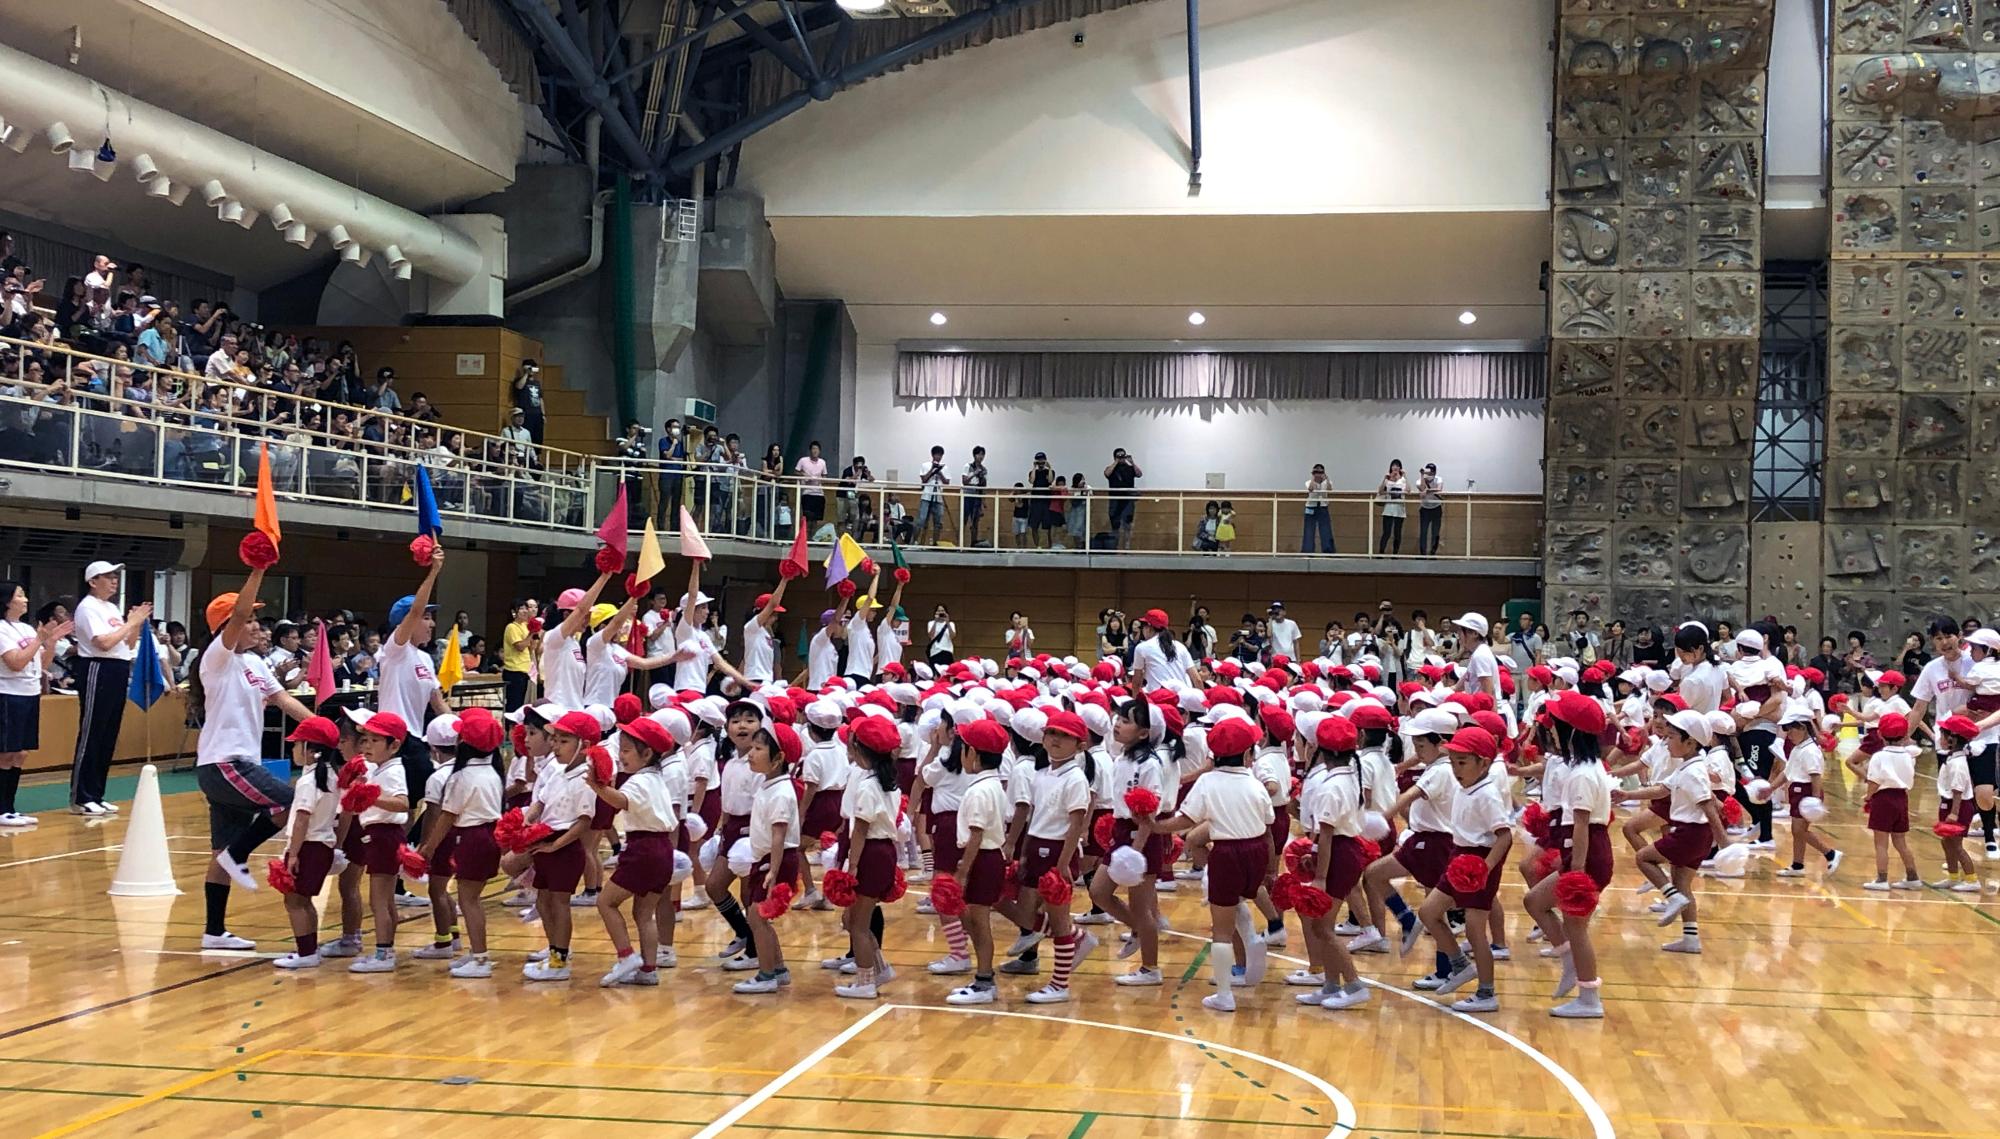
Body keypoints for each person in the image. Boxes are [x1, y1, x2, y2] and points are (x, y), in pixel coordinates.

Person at [197, 572, 314, 950]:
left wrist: (321, 726)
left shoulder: (256, 664)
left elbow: (283, 700)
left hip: (237, 764)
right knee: (292, 802)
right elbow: (238, 613)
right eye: (248, 620)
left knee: (219, 855)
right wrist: (259, 569)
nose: (255, 625)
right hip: (225, 762)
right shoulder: (218, 658)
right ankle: (239, 854)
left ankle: (214, 931)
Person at [1153, 717, 1273, 1013]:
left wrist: (1153, 826)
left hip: (1227, 853)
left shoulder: (1207, 781)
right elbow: (1268, 827)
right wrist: (1271, 869)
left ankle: (1224, 994)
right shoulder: (1255, 783)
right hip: (1257, 850)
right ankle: (1251, 941)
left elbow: (1186, 820)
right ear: (1247, 755)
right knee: (1239, 904)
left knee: (1220, 928)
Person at [71, 560, 152, 815]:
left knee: (108, 733)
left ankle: (97, 793)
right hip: (97, 668)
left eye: (116, 576)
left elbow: (126, 644)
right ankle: (81, 796)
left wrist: (134, 623)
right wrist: (131, 623)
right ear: (93, 582)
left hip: (118, 668)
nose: (114, 580)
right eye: (107, 576)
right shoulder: (88, 608)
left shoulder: (110, 608)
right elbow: (103, 643)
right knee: (92, 731)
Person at [0, 581, 70, 828]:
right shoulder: (2, 630)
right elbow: (16, 662)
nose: (25, 599)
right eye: (20, 595)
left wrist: (49, 642)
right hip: (8, 694)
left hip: (30, 694)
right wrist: (39, 638)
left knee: (21, 752)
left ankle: (10, 807)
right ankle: (2, 808)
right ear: (8, 601)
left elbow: (40, 664)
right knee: (6, 752)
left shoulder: (27, 630)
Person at [501, 599, 537, 712]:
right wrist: (531, 633)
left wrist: (535, 632)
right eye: (521, 608)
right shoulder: (512, 627)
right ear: (514, 612)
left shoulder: (525, 626)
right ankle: (510, 727)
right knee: (513, 704)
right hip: (513, 670)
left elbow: (532, 647)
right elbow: (520, 646)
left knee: (520, 703)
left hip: (524, 670)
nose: (525, 611)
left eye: (526, 608)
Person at [1103, 447, 1142, 549]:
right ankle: (1114, 546)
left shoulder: (1129, 468)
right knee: (1115, 524)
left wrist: (1132, 462)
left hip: (1128, 499)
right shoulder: (1112, 468)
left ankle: (1127, 547)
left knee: (1127, 524)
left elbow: (1139, 474)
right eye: (1119, 456)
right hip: (1115, 499)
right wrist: (1116, 461)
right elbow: (1107, 473)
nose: (1121, 458)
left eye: (1122, 455)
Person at [915, 445, 950, 545]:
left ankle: (935, 543)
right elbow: (924, 480)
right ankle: (914, 542)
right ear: (932, 455)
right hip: (926, 496)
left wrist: (939, 472)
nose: (938, 457)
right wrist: (932, 469)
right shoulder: (925, 465)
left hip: (938, 497)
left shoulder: (944, 467)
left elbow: (947, 482)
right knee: (921, 520)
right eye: (937, 455)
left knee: (938, 522)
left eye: (940, 455)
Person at [1377, 460, 1409, 555]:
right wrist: (1385, 478)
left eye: (1397, 466)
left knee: (1397, 534)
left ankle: (1395, 554)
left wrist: (1405, 476)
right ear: (1391, 467)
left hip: (1399, 510)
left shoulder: (1403, 480)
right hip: (1388, 510)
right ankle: (1381, 552)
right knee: (1386, 532)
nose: (1395, 468)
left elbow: (1408, 490)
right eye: (1393, 466)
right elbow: (1380, 491)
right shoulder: (1387, 479)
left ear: (1400, 468)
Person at [1302, 463, 1335, 553]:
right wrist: (1313, 478)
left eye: (1320, 472)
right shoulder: (1308, 482)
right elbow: (1311, 488)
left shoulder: (1327, 482)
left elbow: (1330, 489)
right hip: (1311, 507)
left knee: (1326, 530)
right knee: (1309, 530)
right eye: (1316, 472)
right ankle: (1307, 551)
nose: (1318, 474)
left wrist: (1326, 479)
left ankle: (1328, 551)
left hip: (1323, 507)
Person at [960, 446, 989, 547]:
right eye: (979, 454)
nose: (981, 456)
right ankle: (960, 544)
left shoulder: (984, 469)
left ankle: (973, 544)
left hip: (977, 496)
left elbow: (984, 486)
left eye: (982, 454)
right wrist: (974, 474)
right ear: (974, 455)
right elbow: (964, 482)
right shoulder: (967, 466)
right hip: (968, 495)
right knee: (963, 519)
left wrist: (983, 501)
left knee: (975, 522)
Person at [511, 360, 544, 444]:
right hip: (526, 413)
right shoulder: (519, 380)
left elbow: (540, 398)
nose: (532, 370)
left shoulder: (537, 383)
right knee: (526, 435)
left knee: (538, 437)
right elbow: (519, 387)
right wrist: (526, 373)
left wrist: (543, 414)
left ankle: (536, 455)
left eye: (533, 368)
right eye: (530, 367)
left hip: (537, 413)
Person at [1415, 462, 1444, 555]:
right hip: (1424, 509)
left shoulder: (1439, 479)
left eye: (1431, 472)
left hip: (1436, 508)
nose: (1429, 474)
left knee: (1435, 532)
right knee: (1423, 532)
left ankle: (1433, 553)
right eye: (1428, 472)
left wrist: (1428, 491)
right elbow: (1422, 490)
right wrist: (1422, 476)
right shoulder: (1420, 480)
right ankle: (1422, 553)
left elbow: (1439, 489)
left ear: (1435, 472)